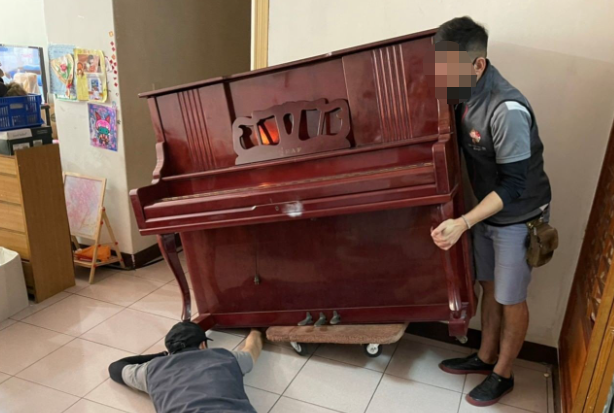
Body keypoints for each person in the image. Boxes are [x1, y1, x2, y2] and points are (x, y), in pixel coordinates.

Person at [428, 17, 552, 407]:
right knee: (490, 288)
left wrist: (463, 222)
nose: (440, 77)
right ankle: (484, 357)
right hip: (486, 211)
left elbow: (513, 185)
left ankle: (504, 373)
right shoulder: (462, 93)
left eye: (448, 68)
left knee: (511, 298)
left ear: (478, 64)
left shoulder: (507, 108)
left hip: (518, 215)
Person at [108, 321, 263, 413]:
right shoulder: (226, 357)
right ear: (203, 345)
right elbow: (253, 348)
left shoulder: (151, 370)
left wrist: (162, 357)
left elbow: (115, 368)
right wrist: (256, 330)